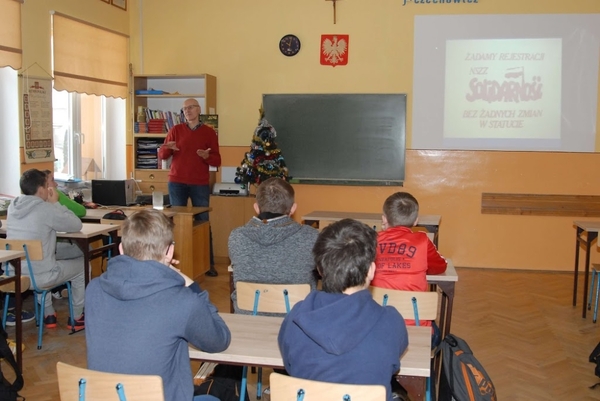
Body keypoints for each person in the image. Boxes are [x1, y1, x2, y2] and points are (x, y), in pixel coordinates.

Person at [85, 209, 231, 401]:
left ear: (121, 248)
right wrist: (188, 283)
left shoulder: (94, 290)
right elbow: (219, 340)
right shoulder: (182, 301)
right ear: (169, 252)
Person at [278, 219, 408, 401]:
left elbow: (290, 366)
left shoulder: (296, 318)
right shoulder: (391, 321)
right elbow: (392, 366)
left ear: (320, 270)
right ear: (371, 270)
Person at [6, 169, 85, 329]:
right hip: (41, 277)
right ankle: (77, 316)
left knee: (42, 260)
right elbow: (76, 224)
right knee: (83, 265)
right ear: (41, 189)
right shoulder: (46, 209)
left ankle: (49, 314)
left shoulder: (12, 208)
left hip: (15, 275)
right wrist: (55, 203)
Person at [228, 177, 319, 315]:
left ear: (256, 208)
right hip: (296, 321)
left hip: (248, 320)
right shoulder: (311, 237)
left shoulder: (237, 237)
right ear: (293, 208)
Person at [158, 98, 220, 277]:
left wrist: (206, 156)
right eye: (184, 109)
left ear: (199, 109)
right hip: (176, 182)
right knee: (176, 223)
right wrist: (168, 149)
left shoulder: (209, 132)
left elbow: (217, 160)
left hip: (199, 183)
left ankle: (208, 264)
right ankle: (175, 263)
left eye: (191, 107)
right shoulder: (175, 130)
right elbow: (162, 155)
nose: (187, 111)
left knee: (203, 222)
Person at [372, 192, 447, 328]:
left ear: (384, 219)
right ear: (416, 221)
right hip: (415, 326)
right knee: (436, 330)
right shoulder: (422, 241)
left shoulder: (370, 242)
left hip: (376, 325)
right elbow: (440, 267)